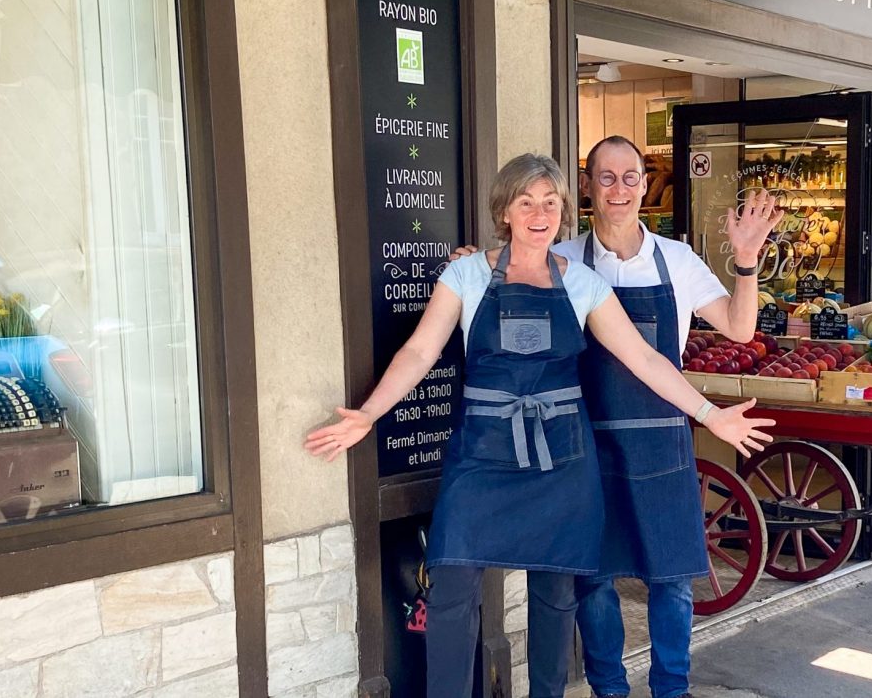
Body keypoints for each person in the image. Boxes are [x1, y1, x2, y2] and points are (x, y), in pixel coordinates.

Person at [305, 153, 773, 698]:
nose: (539, 212)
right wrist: (369, 413)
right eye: (526, 201)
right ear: (504, 210)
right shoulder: (466, 273)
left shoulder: (583, 284)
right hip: (481, 454)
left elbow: (645, 360)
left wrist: (711, 414)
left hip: (561, 460)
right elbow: (418, 350)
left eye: (550, 202)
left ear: (563, 211)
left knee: (555, 598)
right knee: (452, 588)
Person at [450, 136, 778, 698]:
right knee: (593, 579)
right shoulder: (564, 259)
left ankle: (672, 690)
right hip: (583, 444)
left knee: (671, 580)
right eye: (606, 177)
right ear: (587, 186)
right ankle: (609, 690)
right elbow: (503, 284)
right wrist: (474, 267)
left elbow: (739, 329)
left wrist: (746, 261)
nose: (620, 189)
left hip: (660, 441)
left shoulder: (676, 259)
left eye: (631, 177)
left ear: (644, 185)